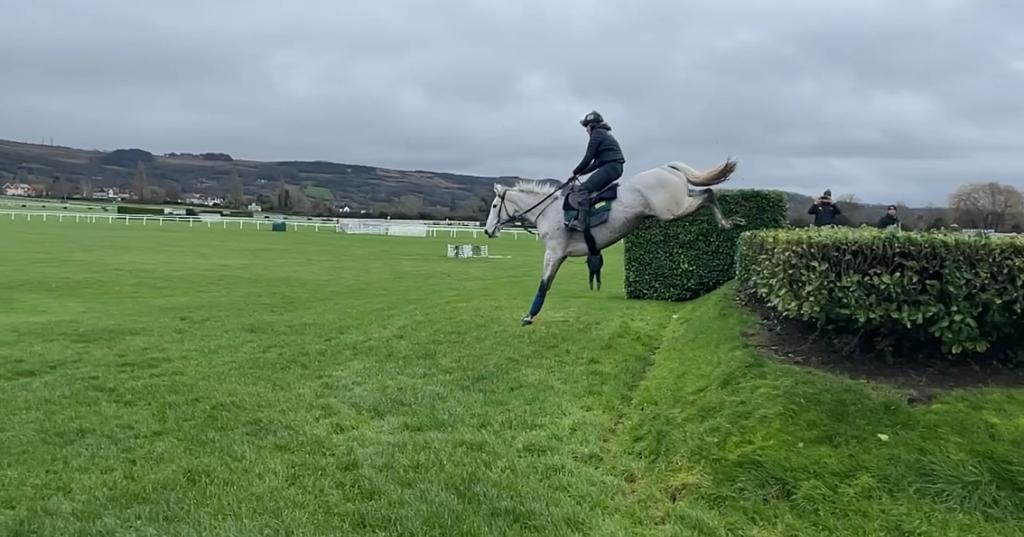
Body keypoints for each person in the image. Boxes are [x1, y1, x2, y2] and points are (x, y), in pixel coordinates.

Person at [566, 111, 625, 212]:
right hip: (615, 167)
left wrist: (574, 172)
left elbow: (588, 158)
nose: (586, 131)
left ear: (590, 126)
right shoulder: (603, 133)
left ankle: (581, 224)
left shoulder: (596, 134)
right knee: (594, 191)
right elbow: (596, 164)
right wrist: (580, 173)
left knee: (583, 189)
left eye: (586, 127)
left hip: (611, 167)